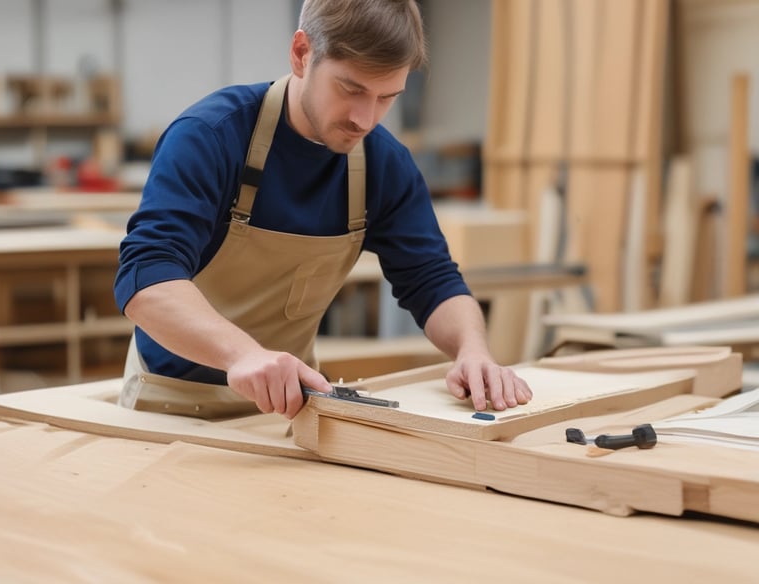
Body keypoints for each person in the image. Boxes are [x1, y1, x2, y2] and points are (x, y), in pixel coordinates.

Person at [114, 0, 532, 420]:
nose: (365, 119)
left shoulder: (383, 165)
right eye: (351, 89)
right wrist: (243, 356)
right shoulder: (211, 137)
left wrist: (472, 350)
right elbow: (147, 276)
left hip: (293, 409)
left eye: (386, 97)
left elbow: (433, 280)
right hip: (169, 404)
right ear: (301, 54)